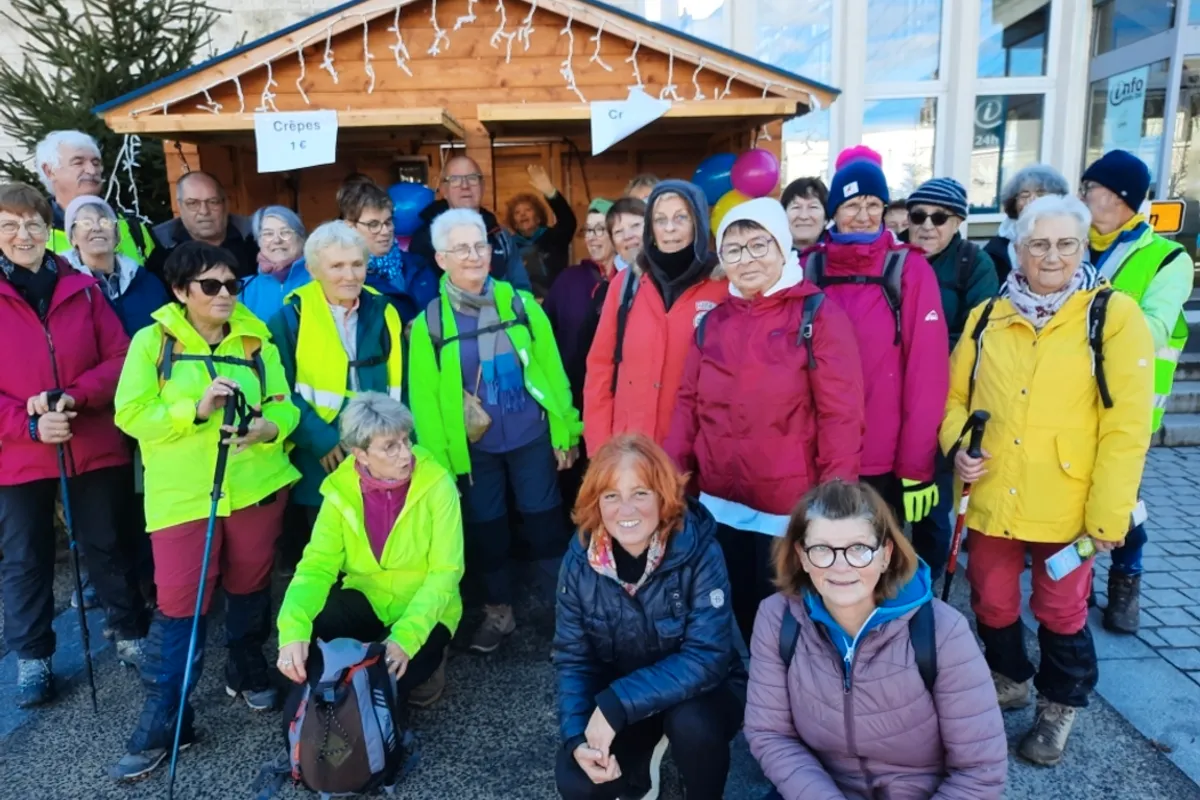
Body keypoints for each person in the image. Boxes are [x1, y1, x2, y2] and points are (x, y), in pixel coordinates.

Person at [942, 195, 1152, 765]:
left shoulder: (1111, 316)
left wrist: (1110, 513)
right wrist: (960, 447)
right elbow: (956, 399)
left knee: (1062, 608)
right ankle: (1009, 676)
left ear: (1082, 248)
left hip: (1069, 499)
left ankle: (1060, 705)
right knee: (991, 597)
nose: (1052, 255)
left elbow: (1126, 426)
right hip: (994, 490)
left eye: (1066, 243)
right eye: (1038, 243)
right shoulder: (988, 316)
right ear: (1018, 249)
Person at [110, 241, 300, 780]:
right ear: (180, 291)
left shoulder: (255, 338)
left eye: (231, 284)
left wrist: (269, 427)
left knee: (249, 584)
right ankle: (165, 718)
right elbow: (130, 413)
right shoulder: (153, 341)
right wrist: (193, 410)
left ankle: (245, 665)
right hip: (185, 496)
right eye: (210, 285)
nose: (224, 294)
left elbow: (284, 404)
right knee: (179, 603)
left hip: (255, 486)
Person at [665, 197, 865, 645]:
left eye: (759, 245)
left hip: (788, 505)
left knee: (793, 617)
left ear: (782, 248)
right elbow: (687, 403)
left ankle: (798, 699)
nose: (747, 259)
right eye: (733, 249)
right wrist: (672, 476)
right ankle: (763, 692)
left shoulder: (817, 315)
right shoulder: (713, 321)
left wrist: (835, 500)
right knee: (741, 608)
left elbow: (841, 414)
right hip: (722, 499)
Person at [745, 479, 1007, 799]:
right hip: (821, 787)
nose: (841, 567)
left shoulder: (944, 632)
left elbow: (979, 771)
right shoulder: (777, 618)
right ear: (801, 556)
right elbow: (770, 734)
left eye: (859, 549)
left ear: (885, 555)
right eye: (822, 549)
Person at [408, 208, 581, 654]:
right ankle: (498, 613)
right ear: (442, 259)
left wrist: (567, 430)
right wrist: (439, 464)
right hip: (472, 449)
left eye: (480, 245)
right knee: (488, 530)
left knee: (545, 526)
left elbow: (551, 372)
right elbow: (423, 401)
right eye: (461, 248)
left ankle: (566, 613)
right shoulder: (429, 323)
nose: (474, 255)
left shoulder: (520, 304)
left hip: (530, 435)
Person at [0, 183, 147, 707]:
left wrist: (74, 398)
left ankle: (130, 634)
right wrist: (30, 424)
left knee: (106, 541)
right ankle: (34, 658)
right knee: (26, 557)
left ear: (50, 230)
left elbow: (122, 357)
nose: (24, 234)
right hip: (19, 451)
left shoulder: (81, 288)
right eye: (10, 225)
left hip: (87, 438)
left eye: (35, 224)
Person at [554, 434, 744, 800]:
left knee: (693, 725)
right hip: (625, 696)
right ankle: (638, 776)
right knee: (577, 779)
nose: (626, 510)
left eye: (640, 493)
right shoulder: (579, 562)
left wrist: (616, 704)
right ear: (596, 503)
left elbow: (707, 658)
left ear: (663, 496)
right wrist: (578, 737)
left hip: (703, 692)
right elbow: (572, 659)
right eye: (611, 496)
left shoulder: (700, 550)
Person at [276, 392, 463, 716]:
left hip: (426, 603)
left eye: (406, 440)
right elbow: (316, 567)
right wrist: (292, 631)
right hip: (367, 595)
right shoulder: (339, 489)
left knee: (385, 686)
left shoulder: (437, 481)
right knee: (312, 659)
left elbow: (446, 571)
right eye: (390, 446)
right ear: (360, 454)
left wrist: (405, 639)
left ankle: (431, 661)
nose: (406, 454)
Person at [1080, 149, 1193, 634]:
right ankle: (1077, 581)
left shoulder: (1168, 257)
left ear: (1119, 198)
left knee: (1121, 501)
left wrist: (1088, 312)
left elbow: (1152, 328)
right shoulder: (1070, 242)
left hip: (1127, 409)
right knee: (1073, 500)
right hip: (1067, 402)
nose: (1083, 197)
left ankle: (1127, 579)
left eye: (1092, 190)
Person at [799, 158, 948, 524]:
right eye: (852, 205)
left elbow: (926, 374)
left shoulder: (909, 269)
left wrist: (916, 464)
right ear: (835, 210)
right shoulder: (808, 266)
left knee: (874, 561)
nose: (863, 215)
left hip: (883, 454)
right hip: (815, 448)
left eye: (873, 205)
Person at [268, 222, 406, 573]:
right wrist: (322, 439)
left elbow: (399, 385)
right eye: (337, 266)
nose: (350, 275)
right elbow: (277, 390)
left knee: (381, 544)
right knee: (328, 550)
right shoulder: (288, 319)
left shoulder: (383, 310)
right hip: (322, 453)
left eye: (356, 264)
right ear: (314, 270)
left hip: (381, 448)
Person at [583, 180, 727, 454]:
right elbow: (600, 369)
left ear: (698, 221)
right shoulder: (627, 285)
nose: (669, 229)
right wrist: (601, 449)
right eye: (660, 219)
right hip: (631, 451)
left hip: (696, 454)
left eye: (680, 217)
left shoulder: (722, 286)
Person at [902, 178, 999, 581]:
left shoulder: (973, 265)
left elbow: (981, 330)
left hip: (941, 399)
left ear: (957, 221)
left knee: (933, 501)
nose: (927, 225)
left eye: (938, 217)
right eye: (918, 215)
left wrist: (923, 349)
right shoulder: (895, 257)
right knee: (887, 499)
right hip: (891, 395)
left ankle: (928, 581)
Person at [408, 155, 531, 291]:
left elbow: (522, 289)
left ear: (482, 186)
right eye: (455, 180)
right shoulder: (424, 239)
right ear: (444, 190)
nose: (465, 186)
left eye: (472, 178)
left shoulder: (501, 236)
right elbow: (421, 296)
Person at [37, 130, 158, 265]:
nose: (92, 171)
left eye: (96, 163)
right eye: (78, 163)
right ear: (49, 171)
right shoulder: (32, 234)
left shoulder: (133, 228)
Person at [544, 198, 618, 409]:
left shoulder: (630, 281)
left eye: (600, 229)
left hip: (617, 395)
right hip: (573, 397)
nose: (592, 238)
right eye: (588, 230)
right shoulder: (568, 279)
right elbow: (544, 333)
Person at [62, 195, 169, 336]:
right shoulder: (61, 287)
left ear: (117, 235)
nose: (96, 228)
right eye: (86, 223)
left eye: (105, 222)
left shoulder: (147, 282)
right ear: (72, 238)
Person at [341, 180, 439, 323]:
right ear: (350, 227)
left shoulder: (419, 266)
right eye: (373, 224)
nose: (386, 231)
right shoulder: (347, 280)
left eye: (388, 221)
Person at [145, 172, 258, 278]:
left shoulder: (254, 238)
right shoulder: (161, 247)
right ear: (180, 206)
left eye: (213, 202)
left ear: (226, 204)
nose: (204, 211)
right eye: (193, 203)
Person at [985, 164, 1069, 284]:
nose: (1032, 200)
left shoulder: (1071, 236)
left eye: (1040, 194)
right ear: (1013, 202)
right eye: (1025, 195)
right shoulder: (996, 249)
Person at [505, 165, 578, 298]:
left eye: (528, 210)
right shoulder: (510, 246)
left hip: (555, 306)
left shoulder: (554, 238)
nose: (522, 214)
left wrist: (551, 193)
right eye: (517, 212)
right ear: (514, 223)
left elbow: (568, 221)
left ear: (538, 218)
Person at [240, 206, 310, 322]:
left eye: (285, 232)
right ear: (259, 242)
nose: (277, 240)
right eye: (268, 234)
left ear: (301, 238)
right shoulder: (243, 289)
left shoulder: (319, 280)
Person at [780, 177, 827, 251]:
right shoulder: (767, 254)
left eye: (813, 207)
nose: (803, 216)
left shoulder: (842, 254)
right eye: (796, 207)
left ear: (826, 218)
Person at [608, 196, 646, 273]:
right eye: (618, 231)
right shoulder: (615, 283)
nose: (627, 236)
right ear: (613, 243)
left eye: (635, 225)